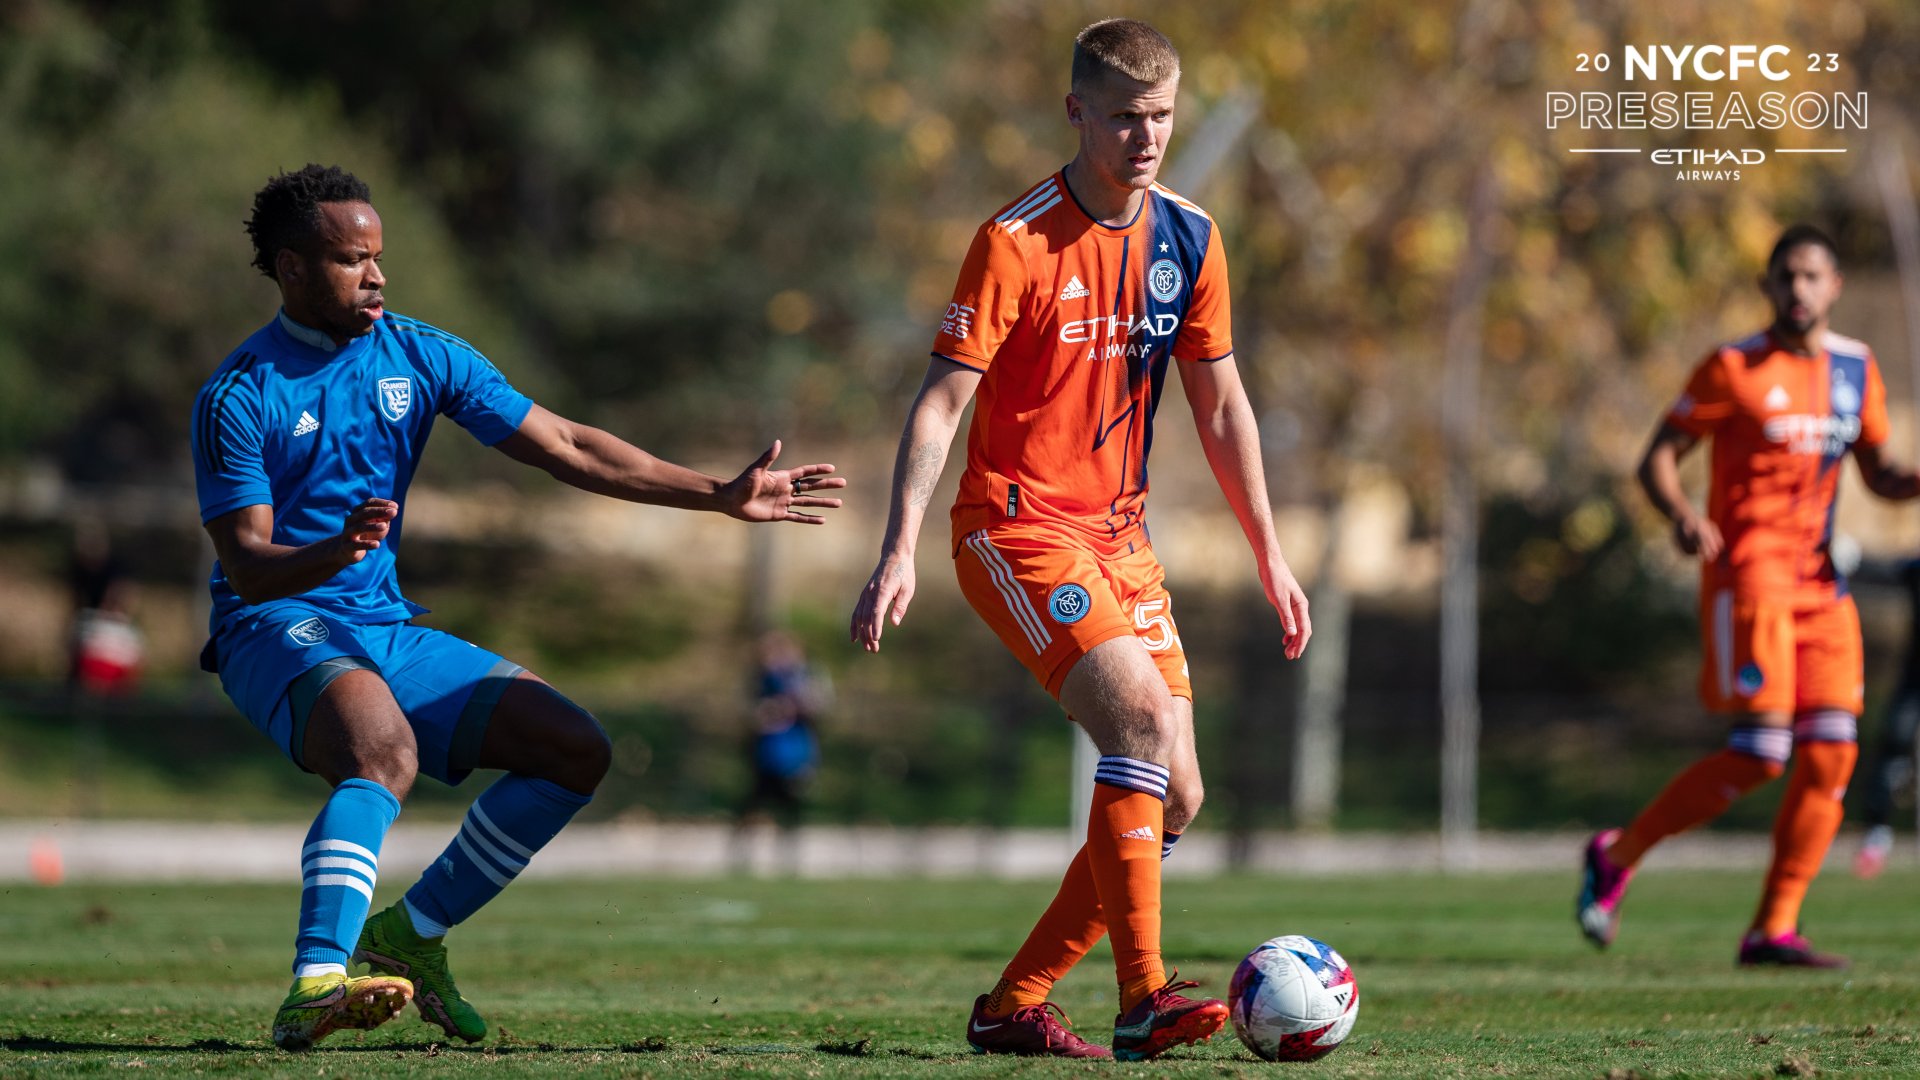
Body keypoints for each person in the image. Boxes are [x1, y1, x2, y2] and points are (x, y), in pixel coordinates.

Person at [192, 164, 844, 1051]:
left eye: (380, 257)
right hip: (273, 624)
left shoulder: (421, 354)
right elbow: (249, 566)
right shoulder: (240, 394)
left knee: (572, 748)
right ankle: (315, 981)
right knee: (383, 753)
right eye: (352, 261)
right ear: (292, 269)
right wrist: (332, 551)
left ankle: (411, 937)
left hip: (380, 625)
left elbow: (568, 445)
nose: (377, 276)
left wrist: (717, 494)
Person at [850, 19, 1310, 1060]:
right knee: (1141, 723)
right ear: (1076, 113)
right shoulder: (1014, 241)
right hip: (1014, 527)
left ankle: (1013, 1005)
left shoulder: (1189, 239)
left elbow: (1225, 408)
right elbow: (939, 405)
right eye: (1123, 118)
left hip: (1120, 536)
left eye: (1161, 118)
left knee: (1179, 790)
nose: (1146, 139)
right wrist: (898, 547)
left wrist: (1270, 554)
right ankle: (1145, 997)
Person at [1577, 224, 1920, 967]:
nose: (1798, 289)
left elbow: (1881, 473)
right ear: (1768, 286)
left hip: (1824, 585)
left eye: (1812, 276)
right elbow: (1657, 459)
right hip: (1750, 579)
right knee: (1762, 755)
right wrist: (1683, 515)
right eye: (1786, 276)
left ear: (1834, 287)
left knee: (1832, 755)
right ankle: (1618, 854)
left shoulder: (1856, 370)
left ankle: (1773, 928)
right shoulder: (1732, 366)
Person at [1853, 557, 1920, 878]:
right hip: (1914, 680)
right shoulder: (1915, 569)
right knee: (1893, 743)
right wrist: (1850, 557)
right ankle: (1876, 836)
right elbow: (1881, 571)